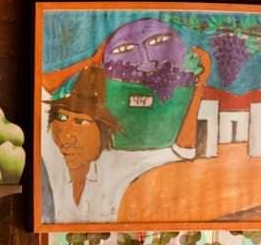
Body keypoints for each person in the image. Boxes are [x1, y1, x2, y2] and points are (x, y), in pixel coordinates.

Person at [40, 19, 211, 223]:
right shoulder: (54, 154)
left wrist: (199, 85)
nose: (67, 134)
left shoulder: (120, 162)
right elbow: (39, 86)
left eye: (80, 122)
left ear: (101, 126)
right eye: (61, 118)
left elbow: (183, 149)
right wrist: (91, 62)